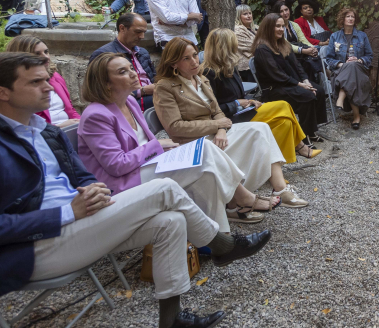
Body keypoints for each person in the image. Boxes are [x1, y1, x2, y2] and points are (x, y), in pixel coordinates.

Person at [0, 51, 271, 328]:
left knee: (171, 222)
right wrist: (68, 210)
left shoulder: (43, 130)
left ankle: (171, 325)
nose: (49, 88)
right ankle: (223, 245)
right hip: (30, 247)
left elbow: (82, 176)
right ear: (1, 93)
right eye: (35, 82)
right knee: (164, 190)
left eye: (46, 80)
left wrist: (93, 190)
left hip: (79, 223)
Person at [77, 53, 274, 226]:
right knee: (203, 152)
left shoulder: (128, 101)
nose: (132, 73)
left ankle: (220, 233)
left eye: (130, 68)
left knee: (204, 163)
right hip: (124, 181)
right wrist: (157, 146)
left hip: (148, 164)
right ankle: (242, 199)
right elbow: (116, 165)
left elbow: (145, 142)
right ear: (105, 83)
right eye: (122, 71)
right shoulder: (96, 115)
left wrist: (161, 149)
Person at [153, 37, 307, 207]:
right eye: (186, 58)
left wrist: (221, 129)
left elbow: (217, 111)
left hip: (215, 134)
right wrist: (218, 126)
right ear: (173, 63)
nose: (194, 61)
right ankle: (241, 199)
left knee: (261, 129)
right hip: (194, 143)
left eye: (195, 55)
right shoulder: (165, 87)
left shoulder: (200, 79)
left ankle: (280, 189)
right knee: (260, 128)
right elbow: (175, 128)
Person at [203, 28, 321, 163]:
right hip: (232, 118)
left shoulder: (230, 66)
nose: (236, 48)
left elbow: (240, 95)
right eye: (233, 44)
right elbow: (211, 110)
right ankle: (301, 147)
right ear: (225, 48)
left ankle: (279, 166)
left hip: (244, 111)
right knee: (283, 105)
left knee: (285, 122)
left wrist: (249, 101)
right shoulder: (208, 73)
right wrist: (237, 103)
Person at [252, 14, 327, 144]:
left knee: (319, 91)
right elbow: (276, 74)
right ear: (269, 27)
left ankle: (310, 130)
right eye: (277, 26)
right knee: (307, 96)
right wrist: (300, 85)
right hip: (275, 88)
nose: (281, 29)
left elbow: (297, 66)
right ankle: (302, 137)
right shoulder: (262, 49)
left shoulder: (282, 43)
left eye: (282, 26)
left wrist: (306, 81)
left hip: (290, 83)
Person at [4, 35, 80, 127]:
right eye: (37, 54)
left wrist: (81, 122)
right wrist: (60, 127)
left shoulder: (55, 76)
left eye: (46, 52)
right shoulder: (18, 85)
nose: (46, 57)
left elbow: (71, 109)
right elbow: (26, 124)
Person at [89, 12, 157, 110]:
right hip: (126, 105)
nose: (142, 36)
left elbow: (154, 78)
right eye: (138, 32)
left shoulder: (143, 52)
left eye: (144, 32)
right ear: (122, 28)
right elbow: (98, 91)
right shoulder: (104, 54)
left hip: (155, 101)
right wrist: (143, 91)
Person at [323, 7, 373, 130]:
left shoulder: (362, 36)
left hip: (359, 70)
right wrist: (342, 64)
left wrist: (359, 60)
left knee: (353, 66)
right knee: (350, 70)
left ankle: (341, 98)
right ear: (343, 18)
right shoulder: (335, 37)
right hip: (340, 71)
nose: (351, 19)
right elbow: (329, 59)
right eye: (348, 16)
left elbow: (369, 56)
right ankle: (356, 117)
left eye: (353, 17)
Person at [272, 1, 323, 79]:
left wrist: (312, 48)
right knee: (309, 59)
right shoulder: (277, 28)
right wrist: (303, 50)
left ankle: (318, 77)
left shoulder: (294, 25)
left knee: (313, 55)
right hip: (287, 55)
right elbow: (285, 44)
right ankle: (322, 74)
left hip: (300, 55)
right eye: (281, 11)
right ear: (277, 14)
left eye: (286, 10)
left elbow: (303, 40)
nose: (285, 13)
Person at [234, 4, 258, 83]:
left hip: (255, 64)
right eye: (245, 14)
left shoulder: (253, 28)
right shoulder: (238, 30)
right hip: (246, 69)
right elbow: (252, 47)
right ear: (238, 16)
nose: (249, 16)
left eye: (249, 13)